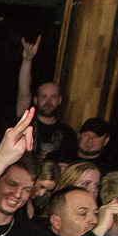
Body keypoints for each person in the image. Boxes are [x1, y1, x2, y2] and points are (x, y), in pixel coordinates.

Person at [16, 36, 76, 166]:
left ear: (60, 100)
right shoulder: (25, 124)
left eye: (53, 97)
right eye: (44, 96)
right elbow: (24, 91)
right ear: (36, 100)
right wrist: (27, 60)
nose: (48, 101)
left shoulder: (68, 134)